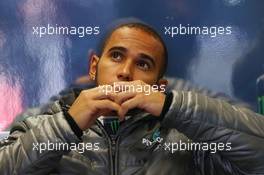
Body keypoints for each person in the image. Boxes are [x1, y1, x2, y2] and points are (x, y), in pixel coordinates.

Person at [1, 19, 264, 175]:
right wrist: (68, 125)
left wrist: (171, 106)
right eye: (116, 56)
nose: (126, 72)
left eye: (144, 64)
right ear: (94, 66)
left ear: (158, 85)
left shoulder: (182, 139)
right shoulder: (41, 124)